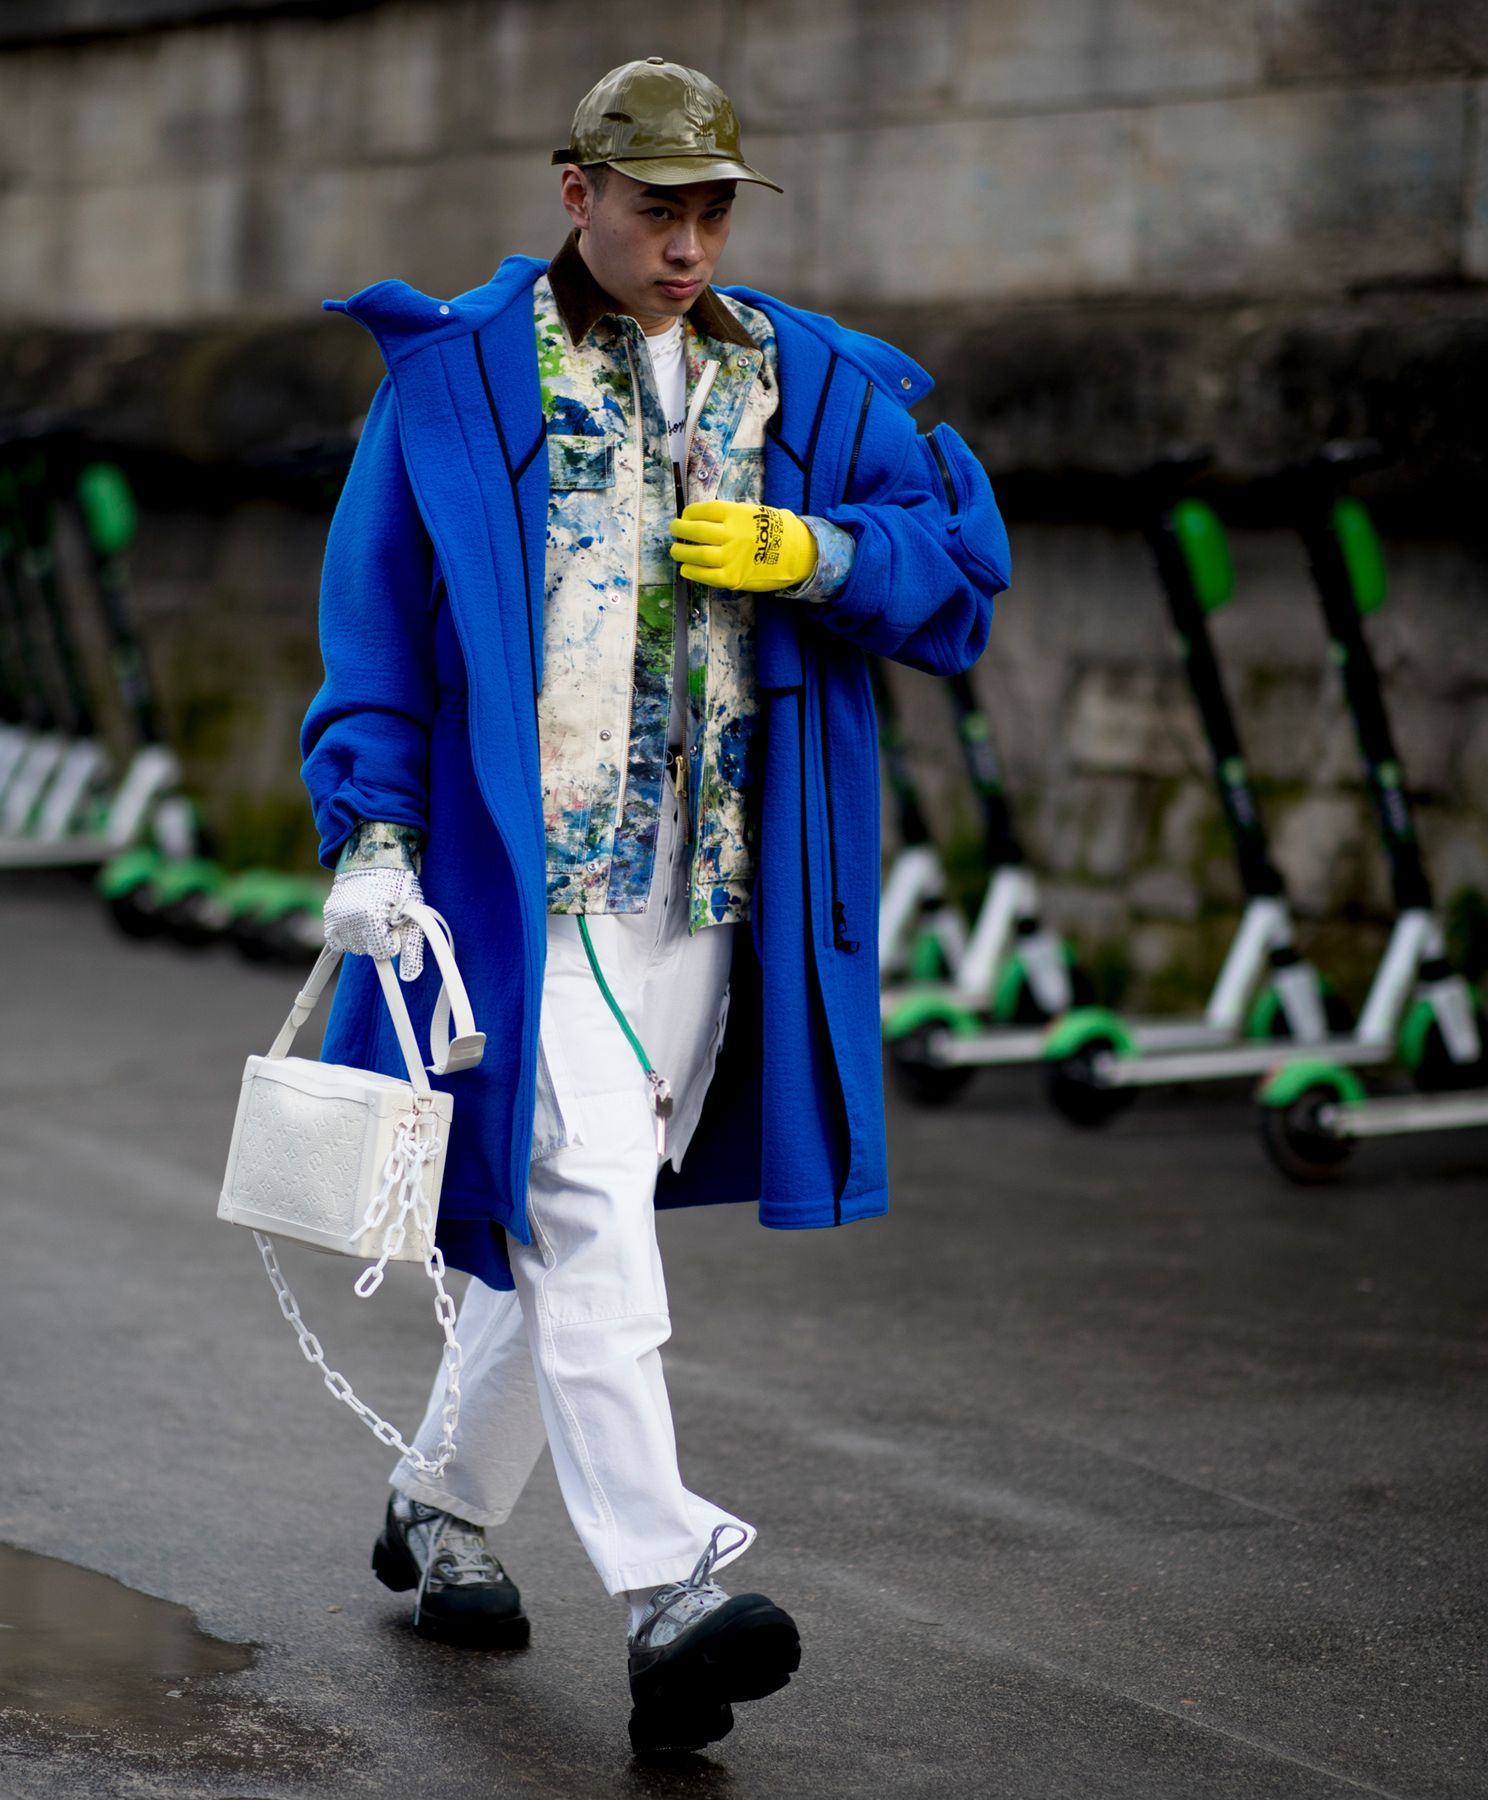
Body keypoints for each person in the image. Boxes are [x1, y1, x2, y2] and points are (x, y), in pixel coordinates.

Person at [300, 58, 1007, 1756]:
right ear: (575, 192)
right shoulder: (457, 380)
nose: (686, 242)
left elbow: (961, 574)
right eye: (654, 207)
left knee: (566, 1216)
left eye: (712, 210)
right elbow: (376, 623)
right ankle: (669, 1586)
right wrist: (371, 834)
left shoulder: (814, 377)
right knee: (590, 1195)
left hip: (719, 883)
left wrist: (820, 556)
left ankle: (438, 1503)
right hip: (523, 884)